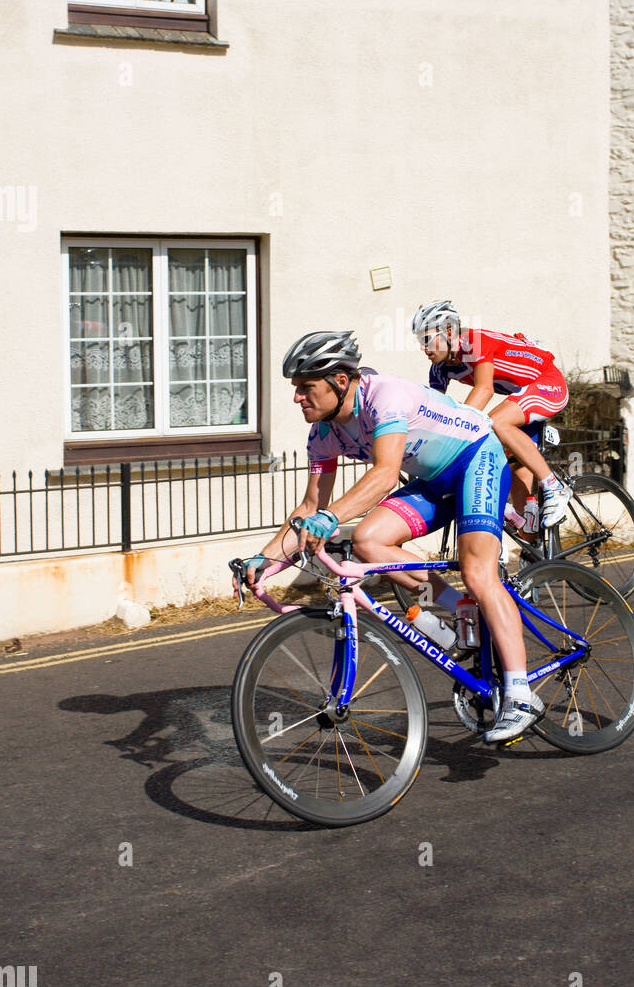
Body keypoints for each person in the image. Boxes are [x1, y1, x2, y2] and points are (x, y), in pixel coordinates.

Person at [241, 330, 544, 744]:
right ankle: (460, 612)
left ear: (340, 382)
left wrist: (330, 518)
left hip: (477, 458)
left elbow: (385, 474)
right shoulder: (323, 434)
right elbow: (309, 508)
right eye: (296, 389)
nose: (297, 398)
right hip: (434, 480)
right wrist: (264, 563)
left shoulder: (383, 395)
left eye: (306, 387)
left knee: (478, 573)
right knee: (368, 541)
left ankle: (522, 695)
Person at [411, 300, 572, 526]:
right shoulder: (439, 368)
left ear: (448, 332)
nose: (423, 347)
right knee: (519, 488)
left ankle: (555, 487)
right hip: (521, 396)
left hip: (547, 383)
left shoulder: (474, 342)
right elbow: (435, 411)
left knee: (496, 422)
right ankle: (534, 549)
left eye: (427, 339)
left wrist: (454, 431)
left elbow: (484, 389)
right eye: (420, 341)